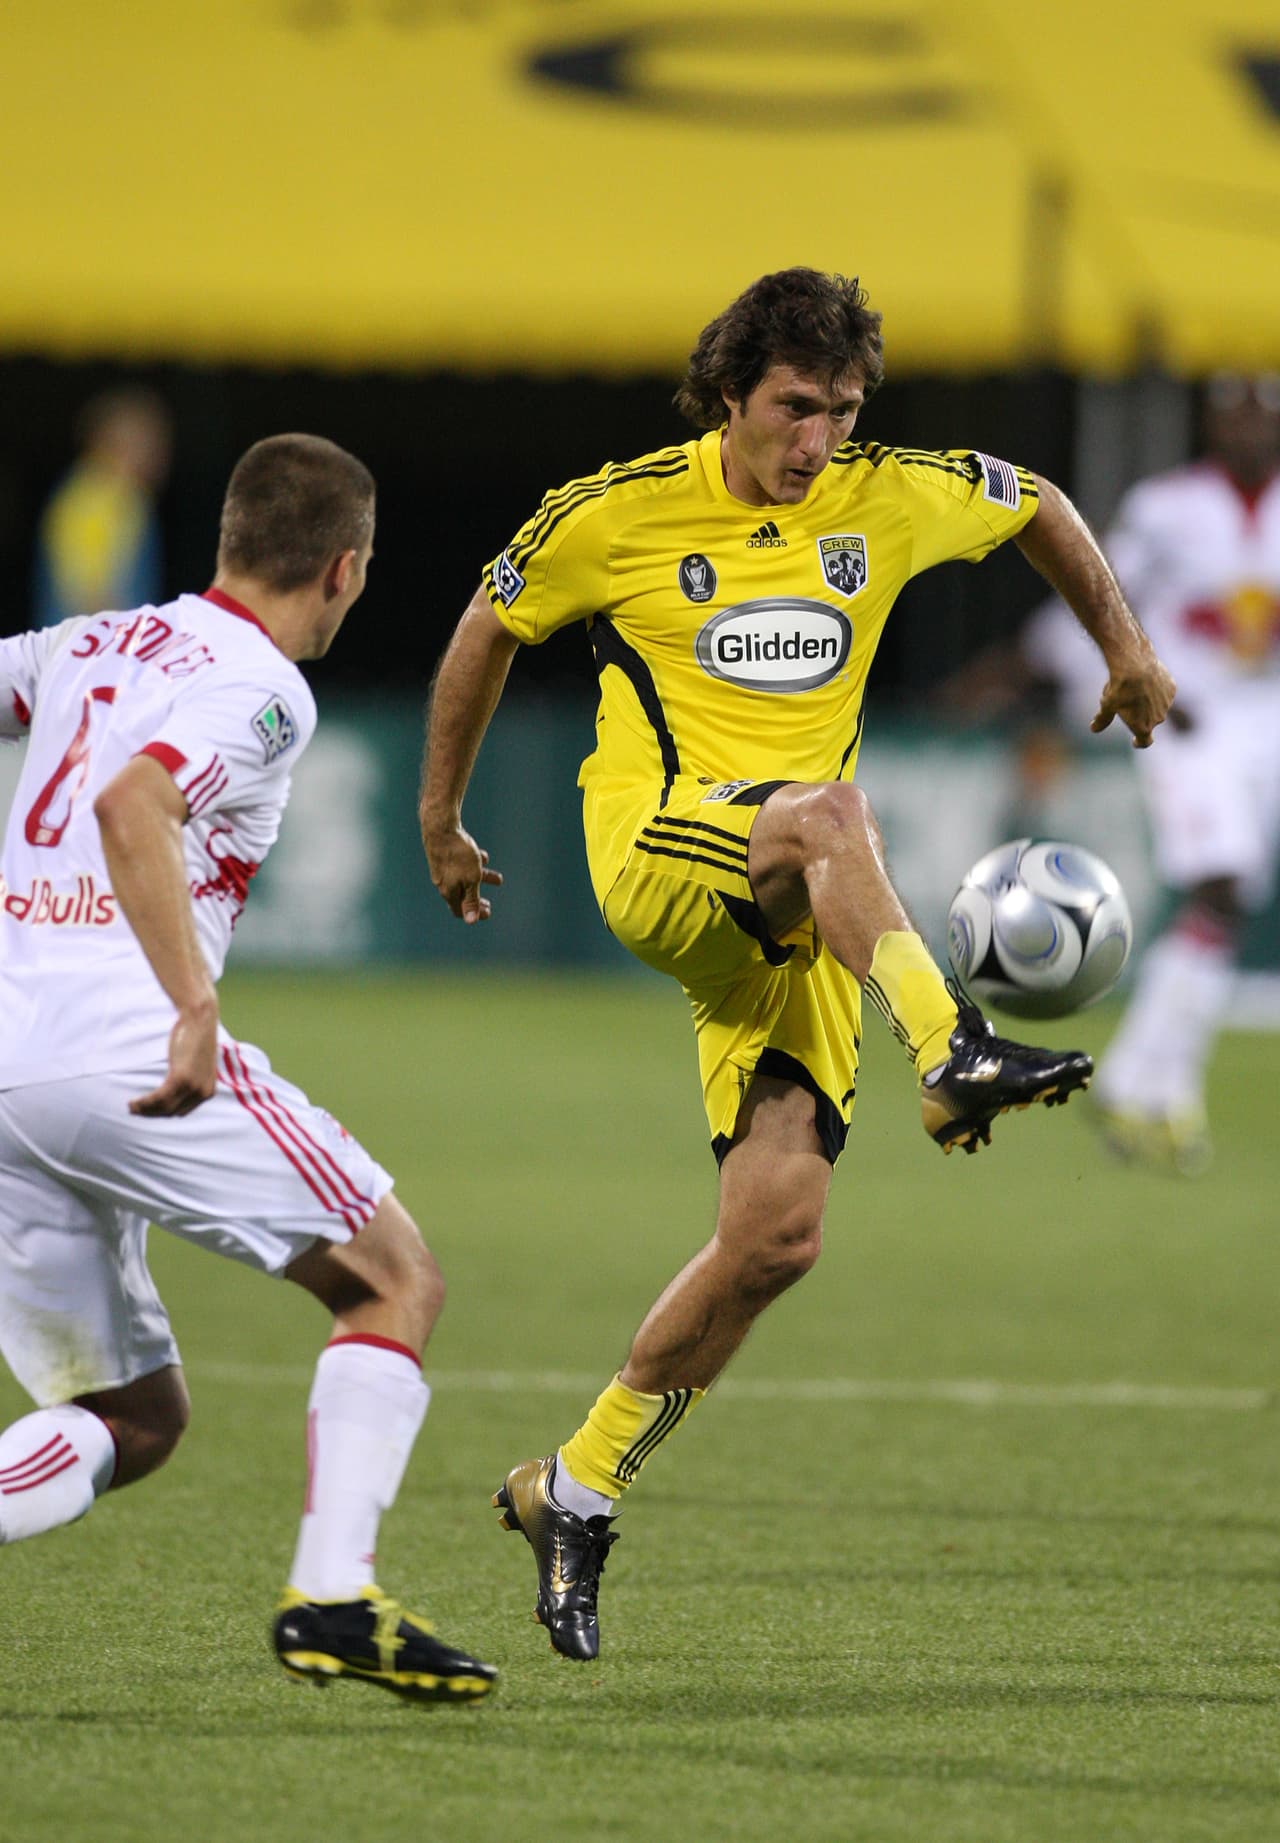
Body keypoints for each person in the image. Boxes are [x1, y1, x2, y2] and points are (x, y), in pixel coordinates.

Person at [419, 268, 1176, 1662]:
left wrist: (1123, 643)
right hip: (659, 852)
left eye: (838, 410)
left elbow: (1042, 507)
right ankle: (951, 1050)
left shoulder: (883, 493)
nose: (815, 438)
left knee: (774, 1240)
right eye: (791, 408)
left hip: (806, 916)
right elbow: (486, 628)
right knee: (832, 808)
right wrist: (442, 819)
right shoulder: (619, 510)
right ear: (729, 393)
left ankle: (572, 1487)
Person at [0, 434, 496, 1703]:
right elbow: (131, 806)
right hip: (124, 1049)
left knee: (135, 1418)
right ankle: (333, 1595)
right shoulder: (267, 688)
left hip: (7, 1063)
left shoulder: (84, 643)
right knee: (394, 1280)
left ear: (226, 537)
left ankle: (334, 1596)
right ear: (345, 569)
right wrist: (191, 1004)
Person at [1024, 373, 1280, 1174]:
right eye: (1234, 412)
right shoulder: (1165, 507)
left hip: (1265, 723)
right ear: (1210, 422)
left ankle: (1153, 1089)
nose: (1247, 428)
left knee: (1228, 906)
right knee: (1223, 886)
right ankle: (1150, 1086)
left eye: (1262, 414)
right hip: (1191, 718)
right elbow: (1095, 590)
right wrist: (1094, 679)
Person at [33, 388, 171, 629]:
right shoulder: (95, 500)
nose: (162, 456)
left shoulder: (121, 497)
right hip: (92, 656)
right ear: (113, 440)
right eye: (151, 443)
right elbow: (90, 598)